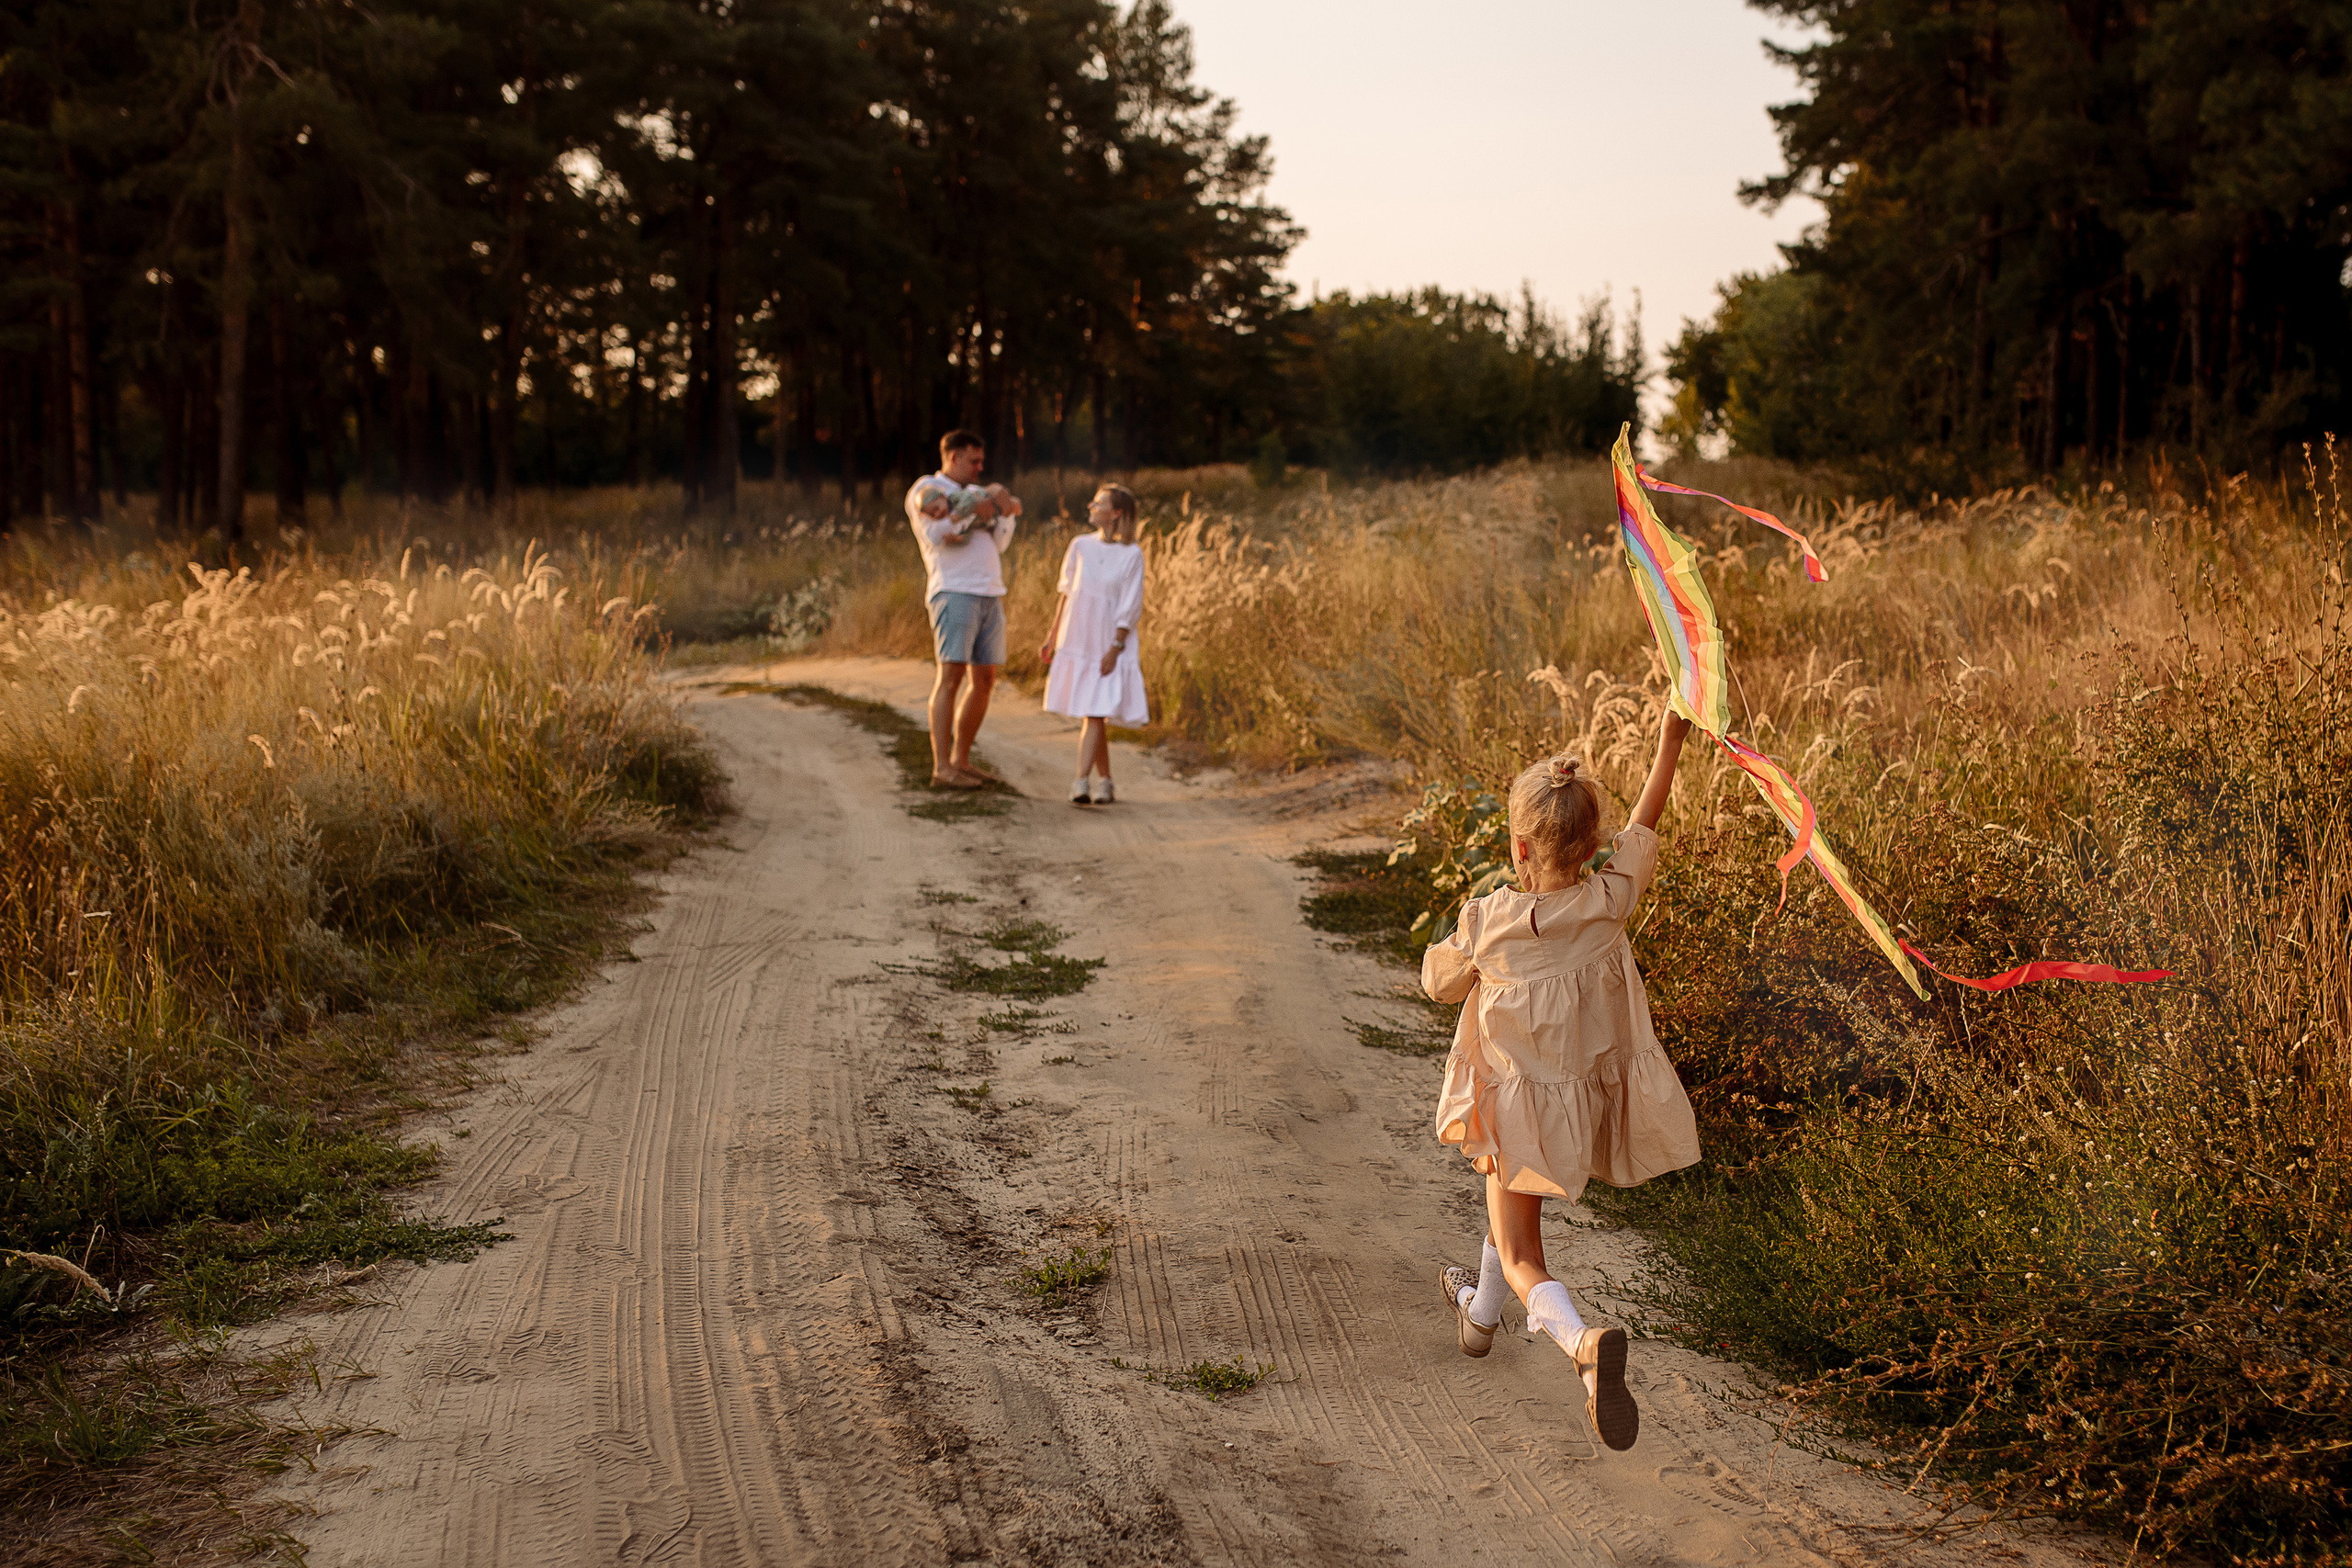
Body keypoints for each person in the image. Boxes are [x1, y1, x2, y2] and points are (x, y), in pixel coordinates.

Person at [1423, 713, 1699, 1452]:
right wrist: (1667, 742)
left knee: (1523, 1257)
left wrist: (1455, 948)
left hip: (1516, 1112)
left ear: (1518, 846)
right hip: (1575, 1110)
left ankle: (1581, 1343)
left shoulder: (1489, 920)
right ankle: (1479, 1319)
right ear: (1591, 844)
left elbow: (1439, 981)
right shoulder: (1609, 903)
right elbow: (1645, 828)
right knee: (1505, 1222)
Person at [906, 430, 1023, 789]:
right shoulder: (926, 489)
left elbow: (1000, 542)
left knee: (984, 680)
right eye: (973, 460)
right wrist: (977, 512)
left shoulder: (975, 493)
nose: (979, 467)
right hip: (954, 591)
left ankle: (962, 760)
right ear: (953, 457)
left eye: (981, 461)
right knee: (951, 677)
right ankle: (942, 766)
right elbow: (937, 535)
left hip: (990, 590)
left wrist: (1003, 511)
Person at [1038, 484, 1149, 805]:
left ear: (1116, 513)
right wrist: (1052, 636)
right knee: (1094, 711)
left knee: (1094, 712)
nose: (1090, 505)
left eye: (1099, 503)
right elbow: (1066, 594)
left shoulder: (1131, 554)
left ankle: (1081, 781)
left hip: (1108, 642)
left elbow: (1131, 605)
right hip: (1078, 637)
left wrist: (1115, 648)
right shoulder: (1079, 546)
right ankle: (1107, 782)